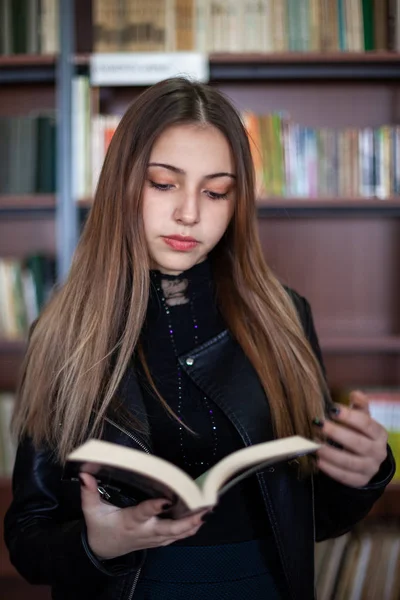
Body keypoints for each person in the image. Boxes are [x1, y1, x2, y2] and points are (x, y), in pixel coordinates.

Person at [4, 77, 395, 600]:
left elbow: (311, 520)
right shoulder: (64, 329)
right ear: (122, 183)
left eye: (215, 192)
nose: (190, 212)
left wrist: (365, 473)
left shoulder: (284, 315)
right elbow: (29, 540)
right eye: (163, 184)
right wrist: (97, 545)